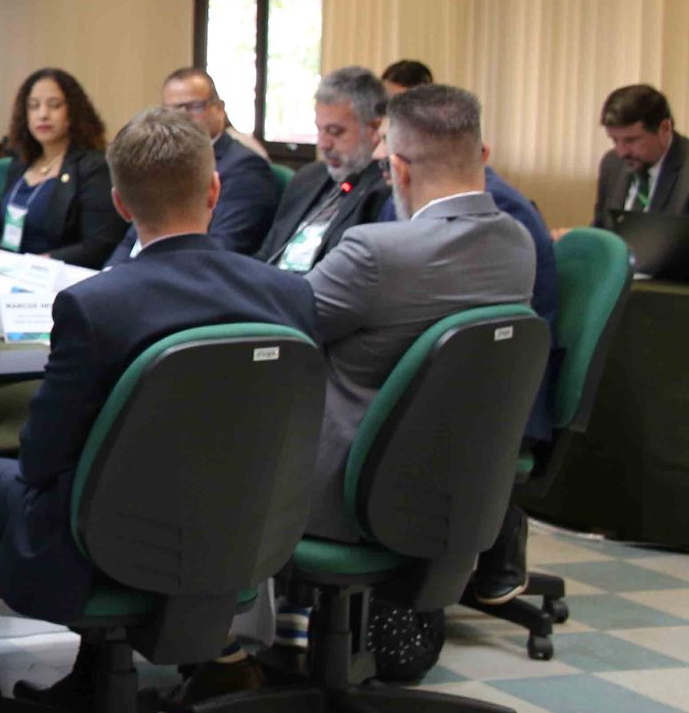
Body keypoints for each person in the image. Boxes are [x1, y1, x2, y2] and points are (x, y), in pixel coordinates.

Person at [0, 109, 316, 713]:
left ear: (121, 205)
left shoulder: (97, 304)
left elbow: (41, 460)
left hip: (99, 539)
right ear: (213, 191)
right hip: (239, 532)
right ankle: (92, 679)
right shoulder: (290, 296)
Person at [307, 84, 537, 540]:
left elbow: (283, 322)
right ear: (483, 154)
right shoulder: (519, 244)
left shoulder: (376, 252)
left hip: (343, 490)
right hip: (456, 483)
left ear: (398, 169)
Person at [121, 67, 280, 258]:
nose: (181, 117)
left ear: (219, 110)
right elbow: (135, 237)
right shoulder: (162, 161)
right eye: (171, 110)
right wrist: (109, 272)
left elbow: (223, 249)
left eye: (193, 107)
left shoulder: (245, 168)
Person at [259, 66, 392, 273]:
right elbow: (267, 253)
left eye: (335, 132)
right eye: (319, 130)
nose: (323, 144)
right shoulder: (308, 177)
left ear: (374, 129)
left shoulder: (384, 190)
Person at [0, 68, 125, 268]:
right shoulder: (20, 164)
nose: (43, 114)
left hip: (57, 278)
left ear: (73, 113)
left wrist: (38, 264)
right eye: (33, 106)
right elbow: (1, 232)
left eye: (54, 105)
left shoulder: (93, 167)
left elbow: (100, 245)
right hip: (9, 271)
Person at [593, 83, 684, 225]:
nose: (621, 152)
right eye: (615, 140)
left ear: (664, 128)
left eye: (631, 140)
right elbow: (601, 230)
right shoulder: (611, 164)